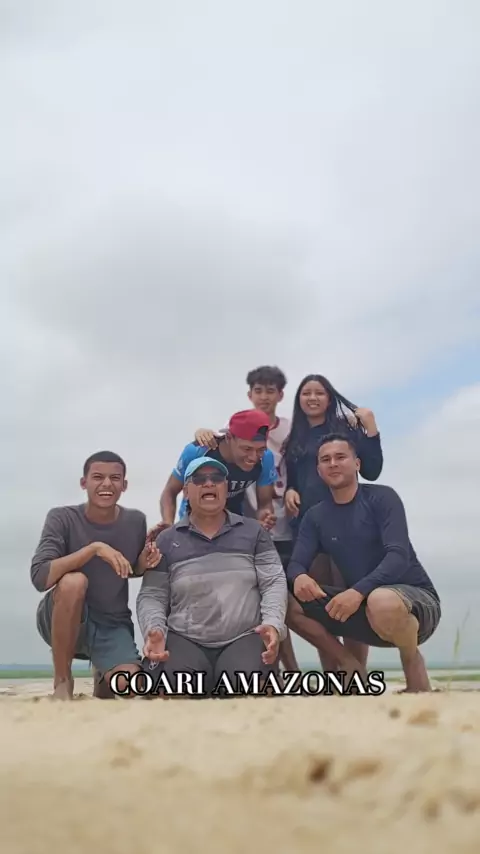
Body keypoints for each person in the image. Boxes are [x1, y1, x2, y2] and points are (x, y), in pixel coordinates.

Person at [286, 433, 441, 692]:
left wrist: (358, 591)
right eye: (326, 459)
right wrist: (299, 576)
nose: (333, 463)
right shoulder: (315, 516)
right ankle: (348, 663)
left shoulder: (382, 498)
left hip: (415, 605)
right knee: (288, 604)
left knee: (382, 600)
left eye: (340, 457)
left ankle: (411, 662)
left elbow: (398, 556)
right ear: (319, 470)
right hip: (363, 611)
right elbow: (295, 564)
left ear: (357, 463)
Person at [137, 457, 288, 697]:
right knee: (166, 693)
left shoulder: (254, 532)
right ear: (186, 491)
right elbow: (152, 594)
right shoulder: (166, 540)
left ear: (226, 489)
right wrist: (154, 629)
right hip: (185, 638)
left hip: (243, 637)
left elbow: (273, 582)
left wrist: (272, 624)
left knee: (248, 691)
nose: (209, 483)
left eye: (216, 478)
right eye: (199, 479)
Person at [30, 451, 161, 700]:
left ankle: (103, 674)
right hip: (62, 614)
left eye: (115, 478)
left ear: (124, 485)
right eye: (98, 477)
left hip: (111, 622)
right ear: (84, 483)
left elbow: (129, 568)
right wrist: (93, 549)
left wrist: (145, 562)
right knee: (74, 582)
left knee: (129, 687)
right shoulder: (62, 518)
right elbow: (40, 578)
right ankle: (62, 681)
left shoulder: (135, 521)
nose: (107, 484)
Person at [193, 365, 298, 671]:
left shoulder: (292, 430)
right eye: (258, 390)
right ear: (249, 394)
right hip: (250, 528)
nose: (264, 397)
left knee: (289, 601)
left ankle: (312, 670)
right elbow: (209, 446)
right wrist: (200, 433)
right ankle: (279, 670)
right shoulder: (234, 431)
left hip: (293, 523)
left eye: (270, 391)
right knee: (259, 599)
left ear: (280, 395)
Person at [283, 373, 384, 674]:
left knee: (350, 602)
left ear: (330, 398)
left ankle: (355, 674)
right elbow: (294, 478)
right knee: (319, 607)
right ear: (299, 400)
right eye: (306, 393)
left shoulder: (345, 429)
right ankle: (335, 674)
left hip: (348, 524)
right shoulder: (295, 438)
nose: (312, 398)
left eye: (319, 393)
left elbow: (372, 470)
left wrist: (371, 429)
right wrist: (290, 490)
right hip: (309, 529)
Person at [153, 409, 278, 537]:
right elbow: (170, 491)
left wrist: (265, 516)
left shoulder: (265, 458)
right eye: (247, 449)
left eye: (260, 449)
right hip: (192, 526)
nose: (253, 457)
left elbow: (265, 503)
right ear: (229, 438)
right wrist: (168, 524)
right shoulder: (197, 451)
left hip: (233, 526)